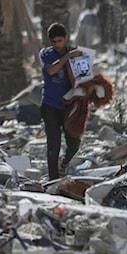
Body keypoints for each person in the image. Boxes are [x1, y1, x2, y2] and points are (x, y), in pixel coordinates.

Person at [39, 22, 83, 180]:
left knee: (74, 143)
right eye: (54, 42)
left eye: (60, 41)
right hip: (50, 105)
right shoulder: (45, 54)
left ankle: (64, 164)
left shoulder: (75, 53)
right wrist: (67, 57)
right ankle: (53, 180)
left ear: (66, 39)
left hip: (69, 107)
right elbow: (51, 70)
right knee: (53, 146)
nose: (57, 45)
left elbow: (84, 77)